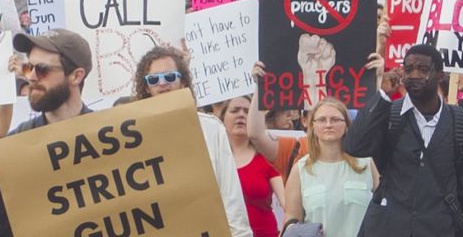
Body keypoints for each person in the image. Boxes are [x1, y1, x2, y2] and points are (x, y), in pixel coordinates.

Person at [343, 43, 463, 237]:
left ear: (439, 75)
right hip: (388, 227)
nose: (414, 75)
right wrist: (382, 95)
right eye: (408, 69)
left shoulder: (459, 121)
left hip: (438, 229)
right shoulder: (390, 114)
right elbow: (354, 146)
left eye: (423, 69)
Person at [0, 31, 93, 237]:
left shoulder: (108, 137)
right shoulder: (15, 145)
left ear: (76, 75)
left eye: (43, 70)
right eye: (28, 68)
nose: (31, 77)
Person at [133, 48, 254, 237]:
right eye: (154, 79)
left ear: (182, 82)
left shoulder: (211, 129)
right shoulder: (134, 136)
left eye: (170, 77)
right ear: (146, 87)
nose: (163, 84)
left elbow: (231, 196)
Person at [283, 98, 377, 237]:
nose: (328, 124)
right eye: (321, 120)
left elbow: (385, 209)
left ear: (346, 125)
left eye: (335, 119)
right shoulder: (300, 169)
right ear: (312, 127)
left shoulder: (367, 163)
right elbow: (292, 218)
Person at [213, 96, 283, 237]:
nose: (241, 115)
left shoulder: (267, 158)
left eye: (247, 111)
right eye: (235, 110)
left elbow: (288, 203)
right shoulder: (211, 158)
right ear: (222, 118)